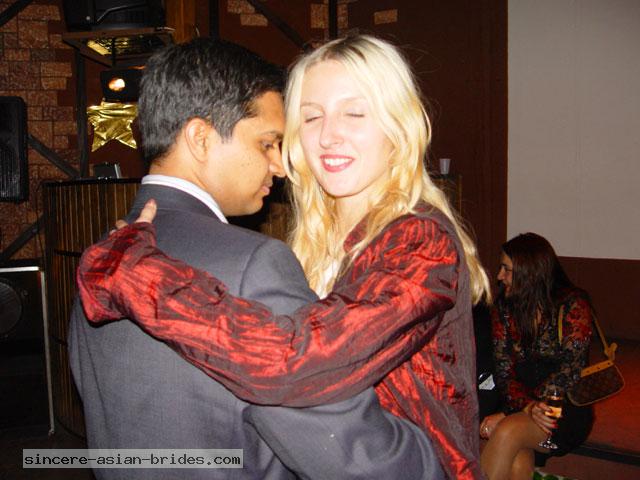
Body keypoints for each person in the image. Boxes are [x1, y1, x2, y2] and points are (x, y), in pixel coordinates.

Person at [76, 35, 492, 479]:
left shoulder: (420, 240)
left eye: (354, 113)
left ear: (399, 126)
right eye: (311, 117)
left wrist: (140, 275)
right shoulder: (317, 241)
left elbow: (295, 365)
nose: (329, 135)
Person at [479, 233, 594, 480]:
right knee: (518, 458)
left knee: (507, 431)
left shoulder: (572, 305)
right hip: (520, 403)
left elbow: (570, 370)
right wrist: (526, 407)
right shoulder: (504, 308)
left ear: (530, 272)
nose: (499, 276)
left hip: (561, 410)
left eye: (507, 269)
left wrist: (527, 409)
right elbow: (503, 371)